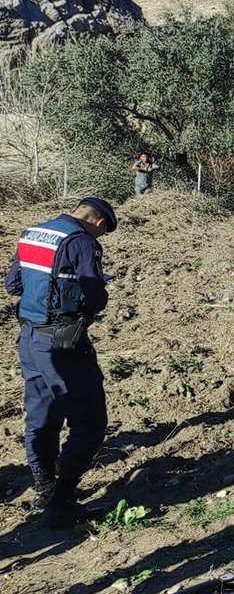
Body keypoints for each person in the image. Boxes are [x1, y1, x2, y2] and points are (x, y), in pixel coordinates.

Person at [4, 197, 118, 528]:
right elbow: (95, 297)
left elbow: (13, 285)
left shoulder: (33, 233)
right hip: (62, 343)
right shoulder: (81, 242)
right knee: (89, 421)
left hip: (28, 339)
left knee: (40, 414)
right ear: (99, 223)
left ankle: (43, 487)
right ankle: (61, 501)